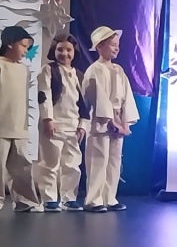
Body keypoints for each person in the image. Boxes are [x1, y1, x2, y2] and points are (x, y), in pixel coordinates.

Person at [82, 26, 139, 213]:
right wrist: (111, 121)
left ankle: (110, 197)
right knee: (99, 159)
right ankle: (94, 199)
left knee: (114, 161)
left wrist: (125, 122)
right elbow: (97, 97)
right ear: (99, 46)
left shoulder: (118, 70)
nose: (116, 48)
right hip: (101, 120)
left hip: (118, 120)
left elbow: (127, 96)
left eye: (117, 44)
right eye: (112, 45)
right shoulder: (94, 70)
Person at [36, 33, 90, 211]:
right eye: (60, 49)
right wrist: (48, 119)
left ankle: (69, 197)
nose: (64, 53)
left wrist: (82, 125)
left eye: (68, 50)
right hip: (54, 125)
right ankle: (49, 198)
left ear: (74, 52)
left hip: (72, 126)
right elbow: (44, 95)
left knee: (72, 164)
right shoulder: (48, 70)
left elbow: (84, 104)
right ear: (54, 50)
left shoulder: (79, 75)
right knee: (50, 163)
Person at [0, 25, 42, 212]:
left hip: (19, 124)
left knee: (22, 166)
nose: (26, 50)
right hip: (1, 124)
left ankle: (26, 200)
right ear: (10, 43)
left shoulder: (23, 69)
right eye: (23, 46)